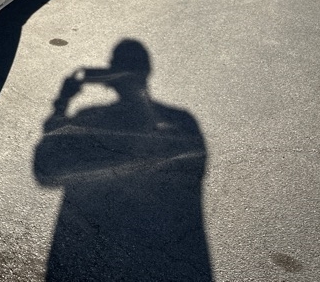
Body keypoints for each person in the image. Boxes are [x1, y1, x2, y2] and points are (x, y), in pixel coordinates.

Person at [33, 39, 213, 280]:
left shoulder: (89, 120)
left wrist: (62, 102)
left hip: (90, 254)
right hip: (161, 256)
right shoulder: (182, 123)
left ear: (110, 76)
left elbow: (45, 169)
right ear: (147, 72)